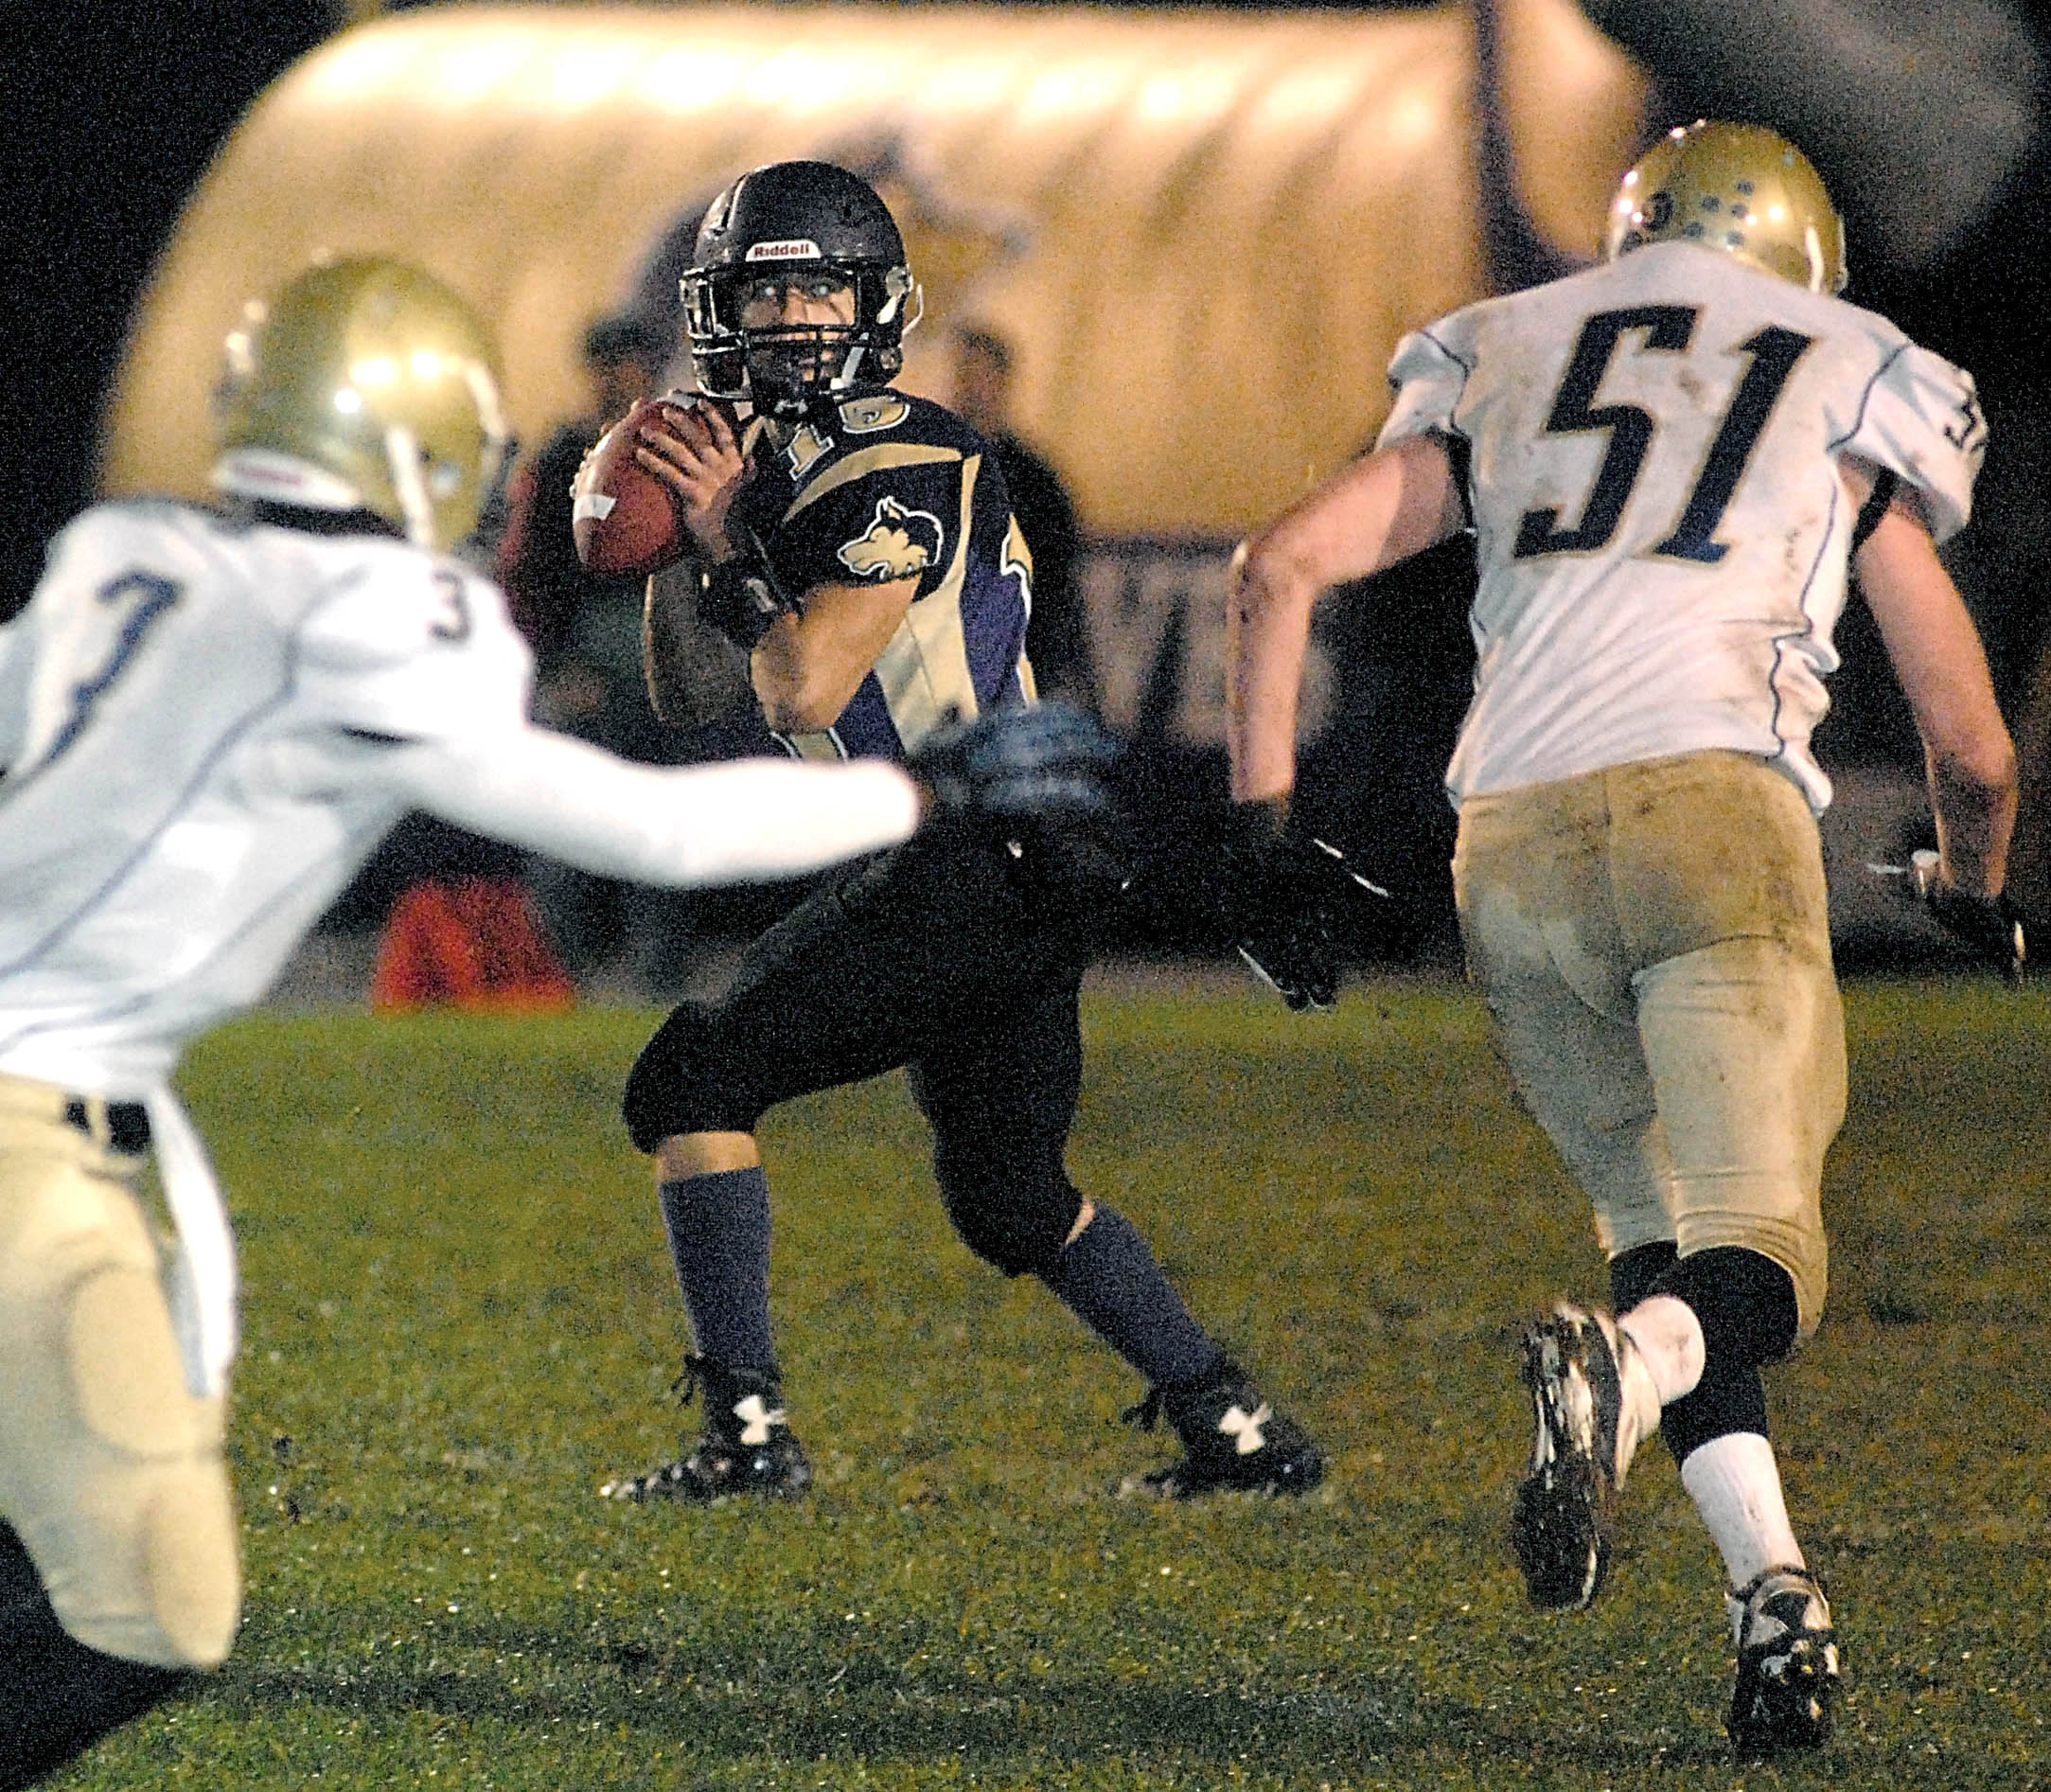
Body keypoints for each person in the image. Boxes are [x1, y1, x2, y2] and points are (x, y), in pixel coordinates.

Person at [0, 254, 1108, 1787]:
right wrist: (928, 784)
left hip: (60, 1116)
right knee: (143, 1611)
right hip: (31, 1131)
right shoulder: (381, 609)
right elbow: (641, 832)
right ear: (419, 440)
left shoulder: (121, 552)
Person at [1223, 122, 2020, 1756]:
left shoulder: (1503, 345)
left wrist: (1260, 841)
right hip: (1712, 810)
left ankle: (1771, 1598)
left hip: (1505, 843)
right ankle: (1630, 1370)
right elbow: (1974, 743)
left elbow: (1276, 564)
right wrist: (1970, 877)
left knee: (1663, 1248)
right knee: (1760, 1264)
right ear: (1798, 252)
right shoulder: (1847, 366)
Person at [603, 159, 1323, 1508]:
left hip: (974, 851)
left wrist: (718, 532)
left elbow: (799, 681)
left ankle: (748, 1437)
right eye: (763, 296)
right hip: (999, 861)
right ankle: (1232, 1424)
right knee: (1006, 1192)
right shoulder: (779, 469)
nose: (789, 321)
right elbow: (692, 690)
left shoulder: (901, 452)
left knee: (688, 1084)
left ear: (873, 306)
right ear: (716, 313)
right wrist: (674, 549)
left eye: (817, 289)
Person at [948, 323, 1092, 713]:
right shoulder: (933, 467)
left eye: (979, 375)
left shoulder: (1036, 484)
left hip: (1017, 664)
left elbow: (1056, 587)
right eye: (962, 374)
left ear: (1001, 382)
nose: (967, 389)